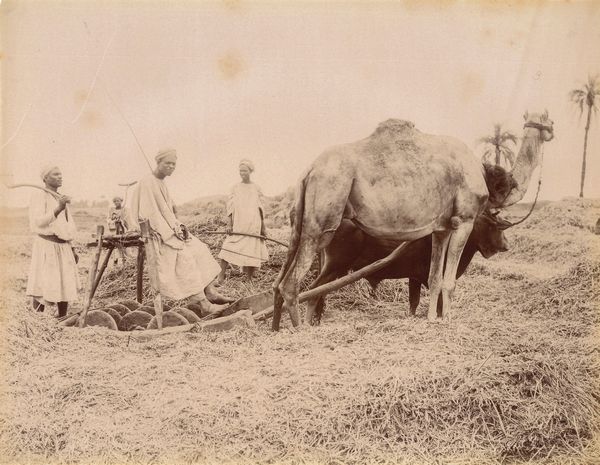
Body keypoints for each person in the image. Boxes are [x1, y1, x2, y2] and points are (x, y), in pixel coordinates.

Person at [129, 148, 233, 312]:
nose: (171, 166)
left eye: (174, 164)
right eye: (167, 163)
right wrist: (171, 232)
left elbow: (167, 212)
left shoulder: (161, 182)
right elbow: (151, 214)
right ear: (158, 162)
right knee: (185, 258)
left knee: (199, 249)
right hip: (157, 233)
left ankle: (210, 291)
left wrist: (179, 226)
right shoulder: (147, 182)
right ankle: (202, 303)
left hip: (170, 230)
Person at [26, 165, 79, 318]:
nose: (60, 176)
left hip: (63, 246)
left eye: (61, 174)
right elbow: (39, 222)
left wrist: (72, 248)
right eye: (55, 174)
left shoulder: (59, 197)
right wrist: (58, 208)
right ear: (45, 178)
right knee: (43, 283)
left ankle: (62, 318)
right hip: (47, 245)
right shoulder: (39, 196)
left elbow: (68, 225)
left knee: (65, 282)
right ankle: (37, 320)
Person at [217, 159, 269, 283]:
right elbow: (230, 207)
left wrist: (263, 228)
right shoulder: (235, 187)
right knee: (228, 246)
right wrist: (229, 224)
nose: (242, 173)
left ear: (250, 171)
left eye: (245, 171)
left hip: (253, 224)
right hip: (239, 224)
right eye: (240, 171)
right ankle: (221, 275)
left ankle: (249, 279)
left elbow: (261, 209)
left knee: (252, 248)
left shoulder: (256, 188)